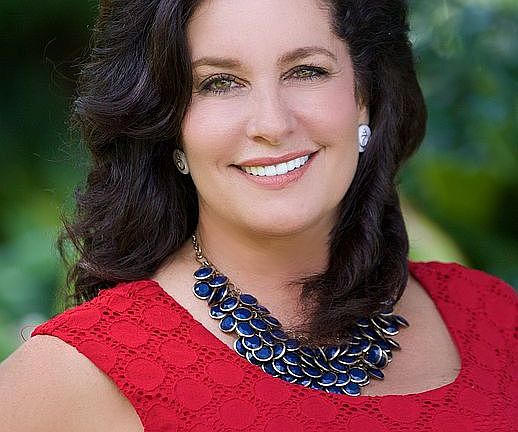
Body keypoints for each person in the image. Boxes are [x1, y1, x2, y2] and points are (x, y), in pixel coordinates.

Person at [0, 0, 516, 431]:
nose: (272, 123)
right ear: (167, 122)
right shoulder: (76, 374)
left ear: (365, 97)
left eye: (307, 71)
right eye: (219, 83)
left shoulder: (494, 317)